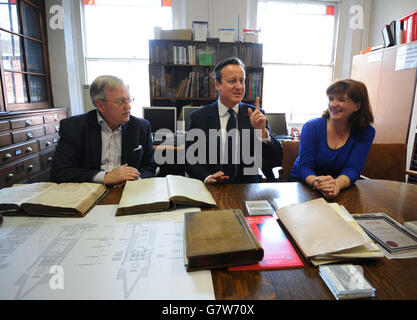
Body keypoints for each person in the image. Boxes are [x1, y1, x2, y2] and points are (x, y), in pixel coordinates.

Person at [185, 57, 283, 184]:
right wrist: (207, 177)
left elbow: (276, 159)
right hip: (213, 188)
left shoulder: (255, 115)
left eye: (242, 81)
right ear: (217, 85)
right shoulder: (198, 117)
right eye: (232, 81)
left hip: (248, 189)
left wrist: (262, 133)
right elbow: (190, 160)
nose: (239, 86)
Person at [50, 75, 157, 187]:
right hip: (90, 191)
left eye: (129, 100)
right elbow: (59, 173)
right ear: (100, 105)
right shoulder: (73, 127)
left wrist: (135, 179)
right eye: (121, 101)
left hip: (128, 192)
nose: (128, 106)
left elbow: (150, 166)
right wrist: (105, 177)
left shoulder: (141, 127)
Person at [289, 79, 375, 198]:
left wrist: (336, 185)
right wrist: (318, 184)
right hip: (305, 184)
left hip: (339, 188)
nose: (333, 104)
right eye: (331, 99)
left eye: (341, 99)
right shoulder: (312, 126)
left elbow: (353, 168)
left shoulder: (366, 132)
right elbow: (305, 167)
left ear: (357, 105)